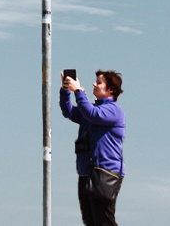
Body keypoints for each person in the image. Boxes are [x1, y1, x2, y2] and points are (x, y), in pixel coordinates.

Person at [60, 69, 125, 225]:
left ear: (110, 90)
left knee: (104, 220)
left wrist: (79, 91)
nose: (94, 84)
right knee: (90, 221)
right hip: (87, 173)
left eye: (99, 82)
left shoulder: (113, 110)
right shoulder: (92, 110)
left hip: (104, 173)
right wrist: (65, 90)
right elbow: (69, 111)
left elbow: (92, 114)